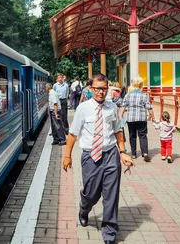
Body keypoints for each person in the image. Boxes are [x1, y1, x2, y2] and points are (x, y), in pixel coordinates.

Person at [63, 73, 134, 244]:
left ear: (107, 88)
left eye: (104, 89)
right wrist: (67, 156)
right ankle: (84, 208)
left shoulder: (111, 107)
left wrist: (123, 152)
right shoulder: (83, 108)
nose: (100, 92)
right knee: (91, 193)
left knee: (111, 194)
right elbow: (72, 134)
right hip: (90, 156)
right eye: (97, 88)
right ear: (90, 88)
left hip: (110, 155)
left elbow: (118, 131)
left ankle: (109, 232)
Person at [119, 76, 156, 162]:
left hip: (130, 118)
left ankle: (134, 154)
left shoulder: (128, 95)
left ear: (133, 84)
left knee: (132, 136)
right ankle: (145, 153)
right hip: (142, 118)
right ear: (141, 85)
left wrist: (120, 116)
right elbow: (149, 108)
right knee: (143, 135)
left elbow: (123, 106)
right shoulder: (144, 95)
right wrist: (153, 117)